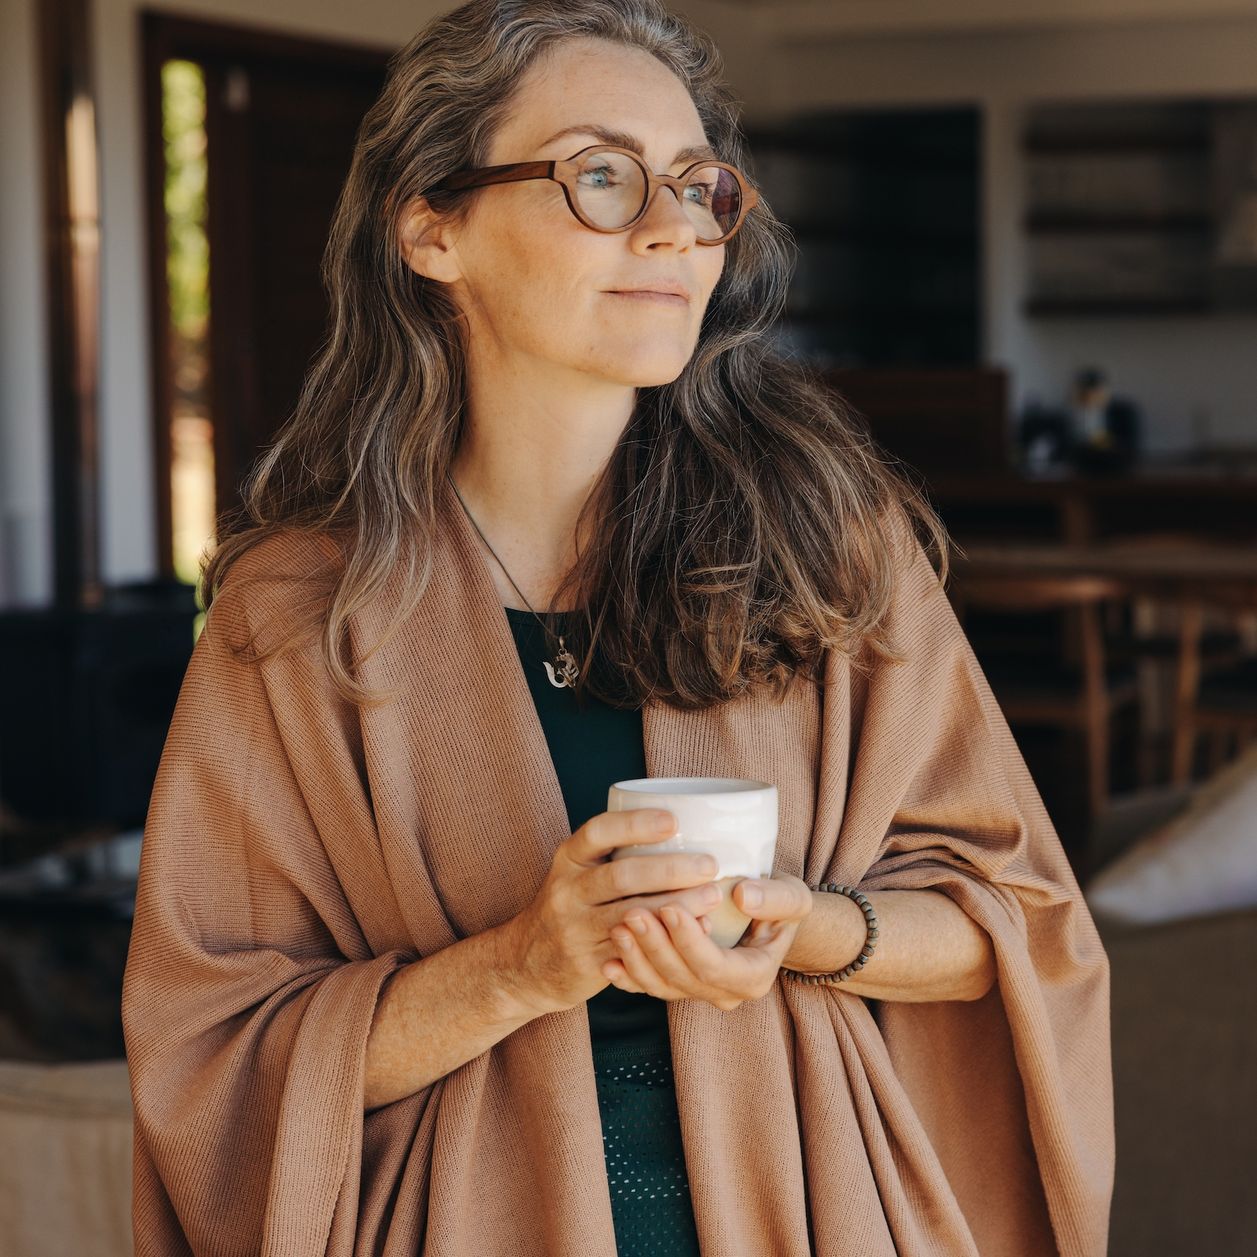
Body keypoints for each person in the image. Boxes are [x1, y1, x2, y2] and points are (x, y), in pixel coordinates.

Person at [121, 2, 1115, 1254]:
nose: (673, 228)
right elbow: (215, 1054)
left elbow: (1013, 925)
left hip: (814, 1214)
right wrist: (525, 966)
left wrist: (805, 927)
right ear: (431, 227)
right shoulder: (300, 614)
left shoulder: (824, 547)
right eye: (601, 176)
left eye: (698, 187)